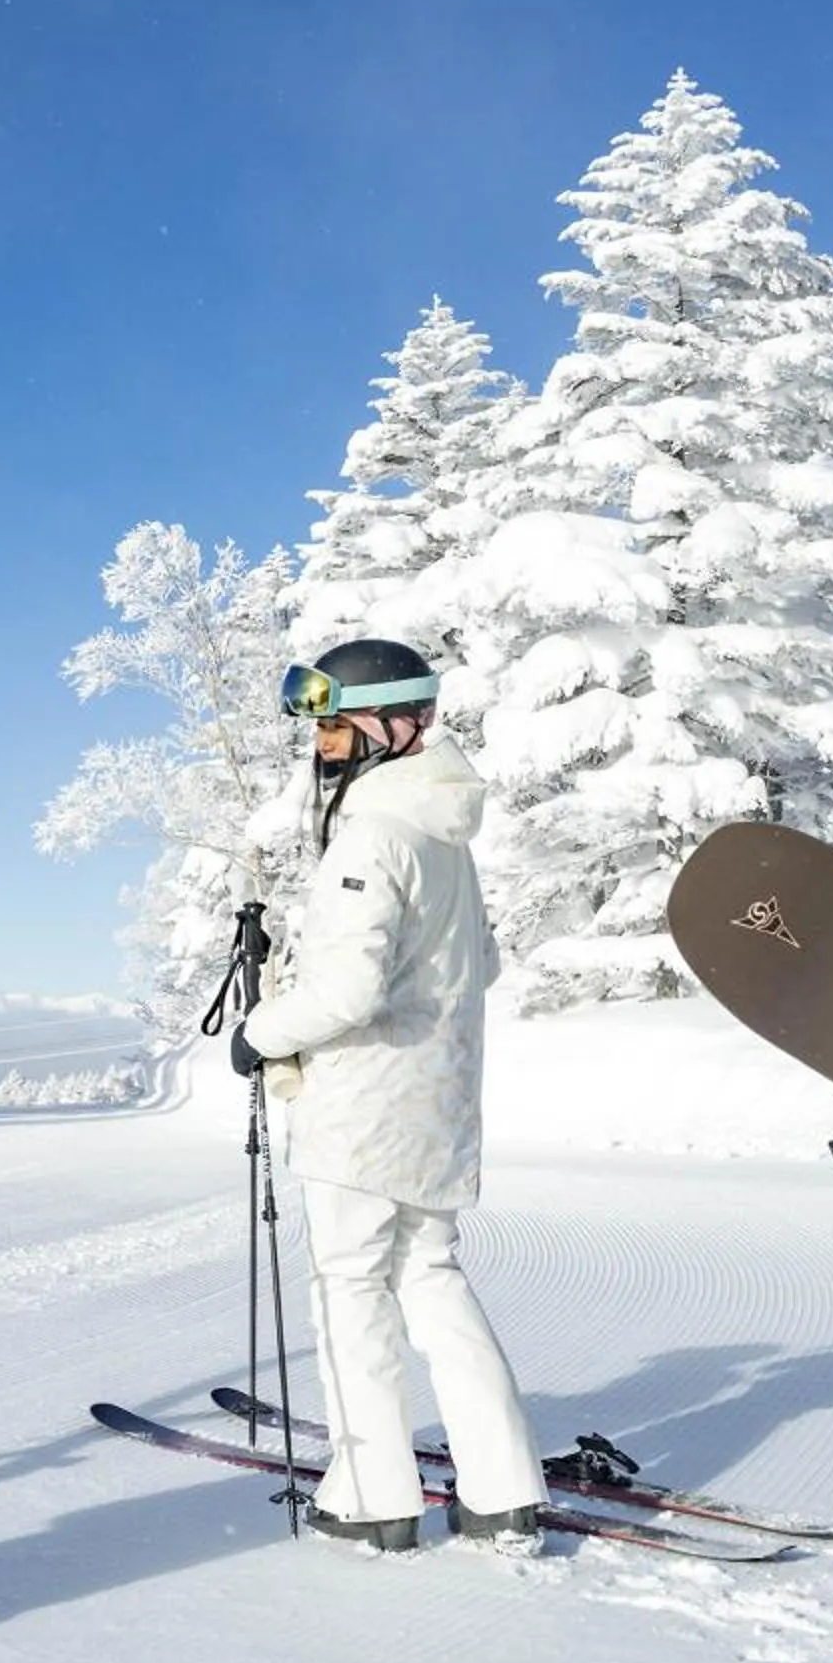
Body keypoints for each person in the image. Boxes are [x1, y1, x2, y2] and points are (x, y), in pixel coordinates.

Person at [228, 638, 545, 1555]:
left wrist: (260, 1034)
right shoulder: (445, 837)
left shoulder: (373, 834)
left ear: (401, 721)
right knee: (432, 1281)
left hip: (363, 1114)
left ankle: (373, 1496)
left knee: (350, 1293)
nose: (321, 738)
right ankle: (502, 1488)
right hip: (435, 1107)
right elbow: (477, 965)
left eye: (335, 720)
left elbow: (349, 992)